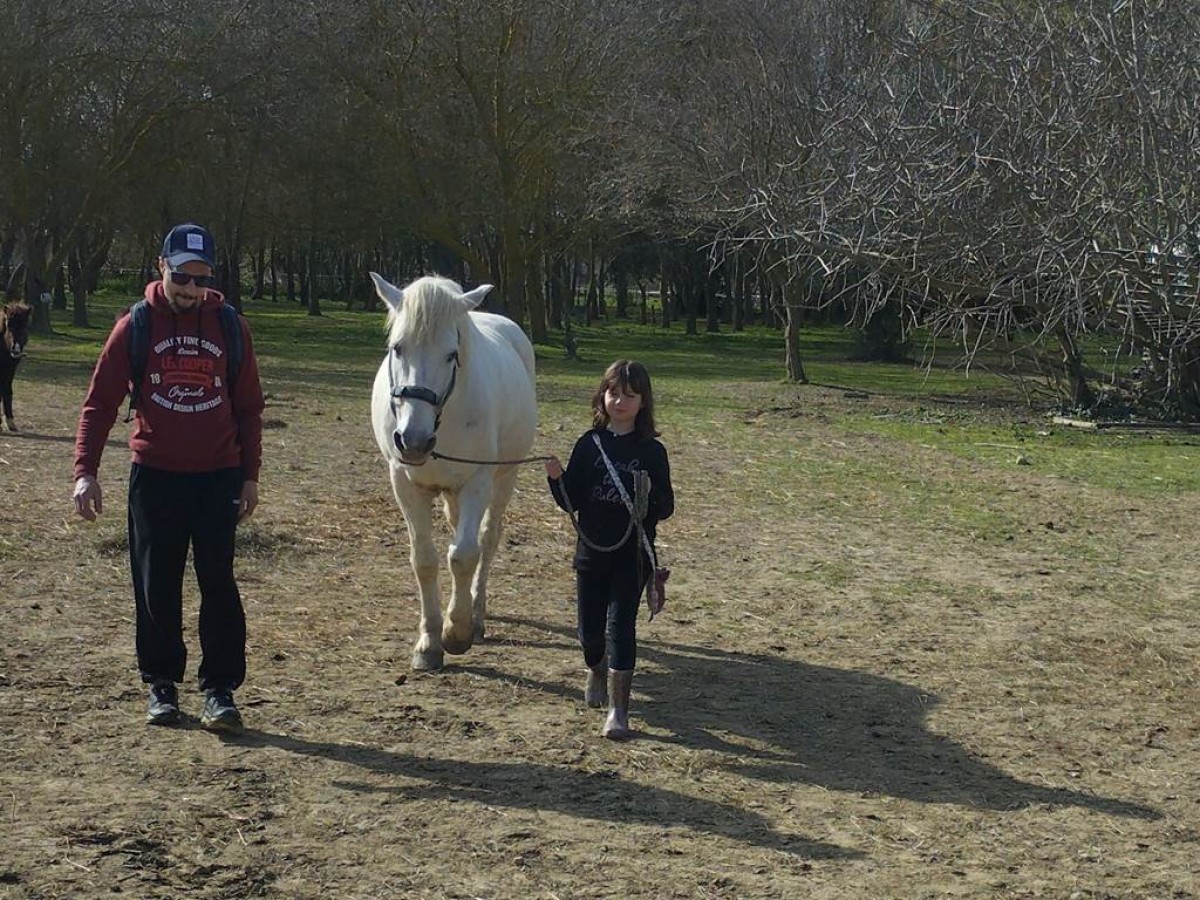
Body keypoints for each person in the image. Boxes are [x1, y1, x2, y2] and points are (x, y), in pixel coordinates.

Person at [72, 223, 264, 734]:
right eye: (182, 276)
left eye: (201, 279)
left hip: (218, 477)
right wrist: (85, 472)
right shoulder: (135, 326)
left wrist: (250, 476)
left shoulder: (230, 327)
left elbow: (249, 408)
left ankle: (219, 691)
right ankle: (161, 684)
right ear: (162, 267)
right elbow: (99, 404)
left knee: (218, 583)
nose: (190, 289)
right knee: (156, 584)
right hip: (155, 475)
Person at [545, 359, 674, 739]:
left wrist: (647, 495)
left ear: (643, 402)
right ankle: (596, 668)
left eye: (630, 396)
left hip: (632, 557)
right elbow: (571, 501)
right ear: (602, 396)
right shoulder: (589, 445)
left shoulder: (652, 451)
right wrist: (557, 479)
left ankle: (619, 710)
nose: (620, 402)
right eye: (614, 393)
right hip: (591, 553)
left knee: (621, 627)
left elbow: (667, 506)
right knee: (589, 634)